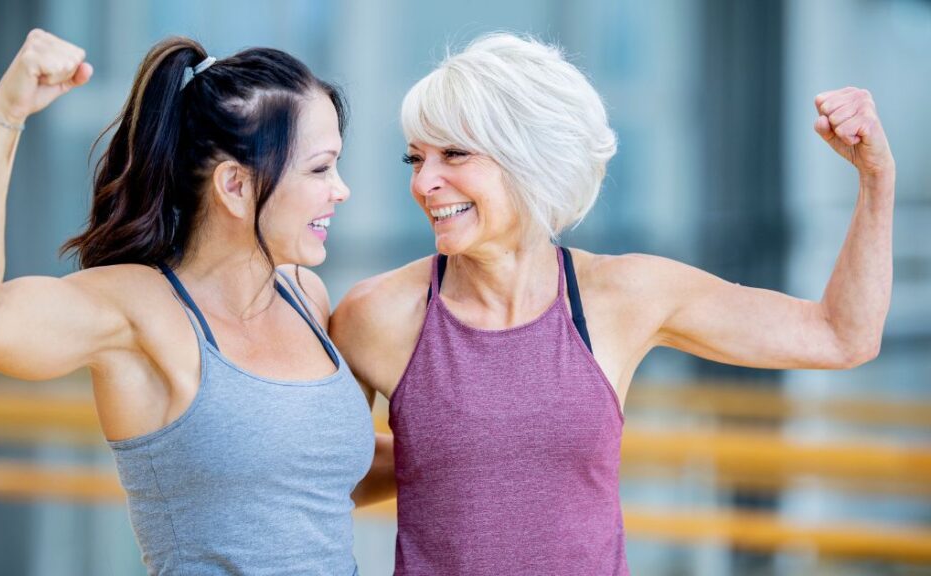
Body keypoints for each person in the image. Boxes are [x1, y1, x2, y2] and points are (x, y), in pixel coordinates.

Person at [330, 33, 894, 575]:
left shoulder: (623, 295)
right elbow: (320, 481)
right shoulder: (376, 315)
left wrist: (876, 180)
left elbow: (842, 336)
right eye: (415, 159)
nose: (425, 182)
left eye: (453, 154)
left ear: (529, 158)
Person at [0, 29, 390, 575]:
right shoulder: (137, 308)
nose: (341, 189)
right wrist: (5, 115)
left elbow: (310, 483)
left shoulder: (305, 297)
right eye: (319, 168)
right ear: (235, 186)